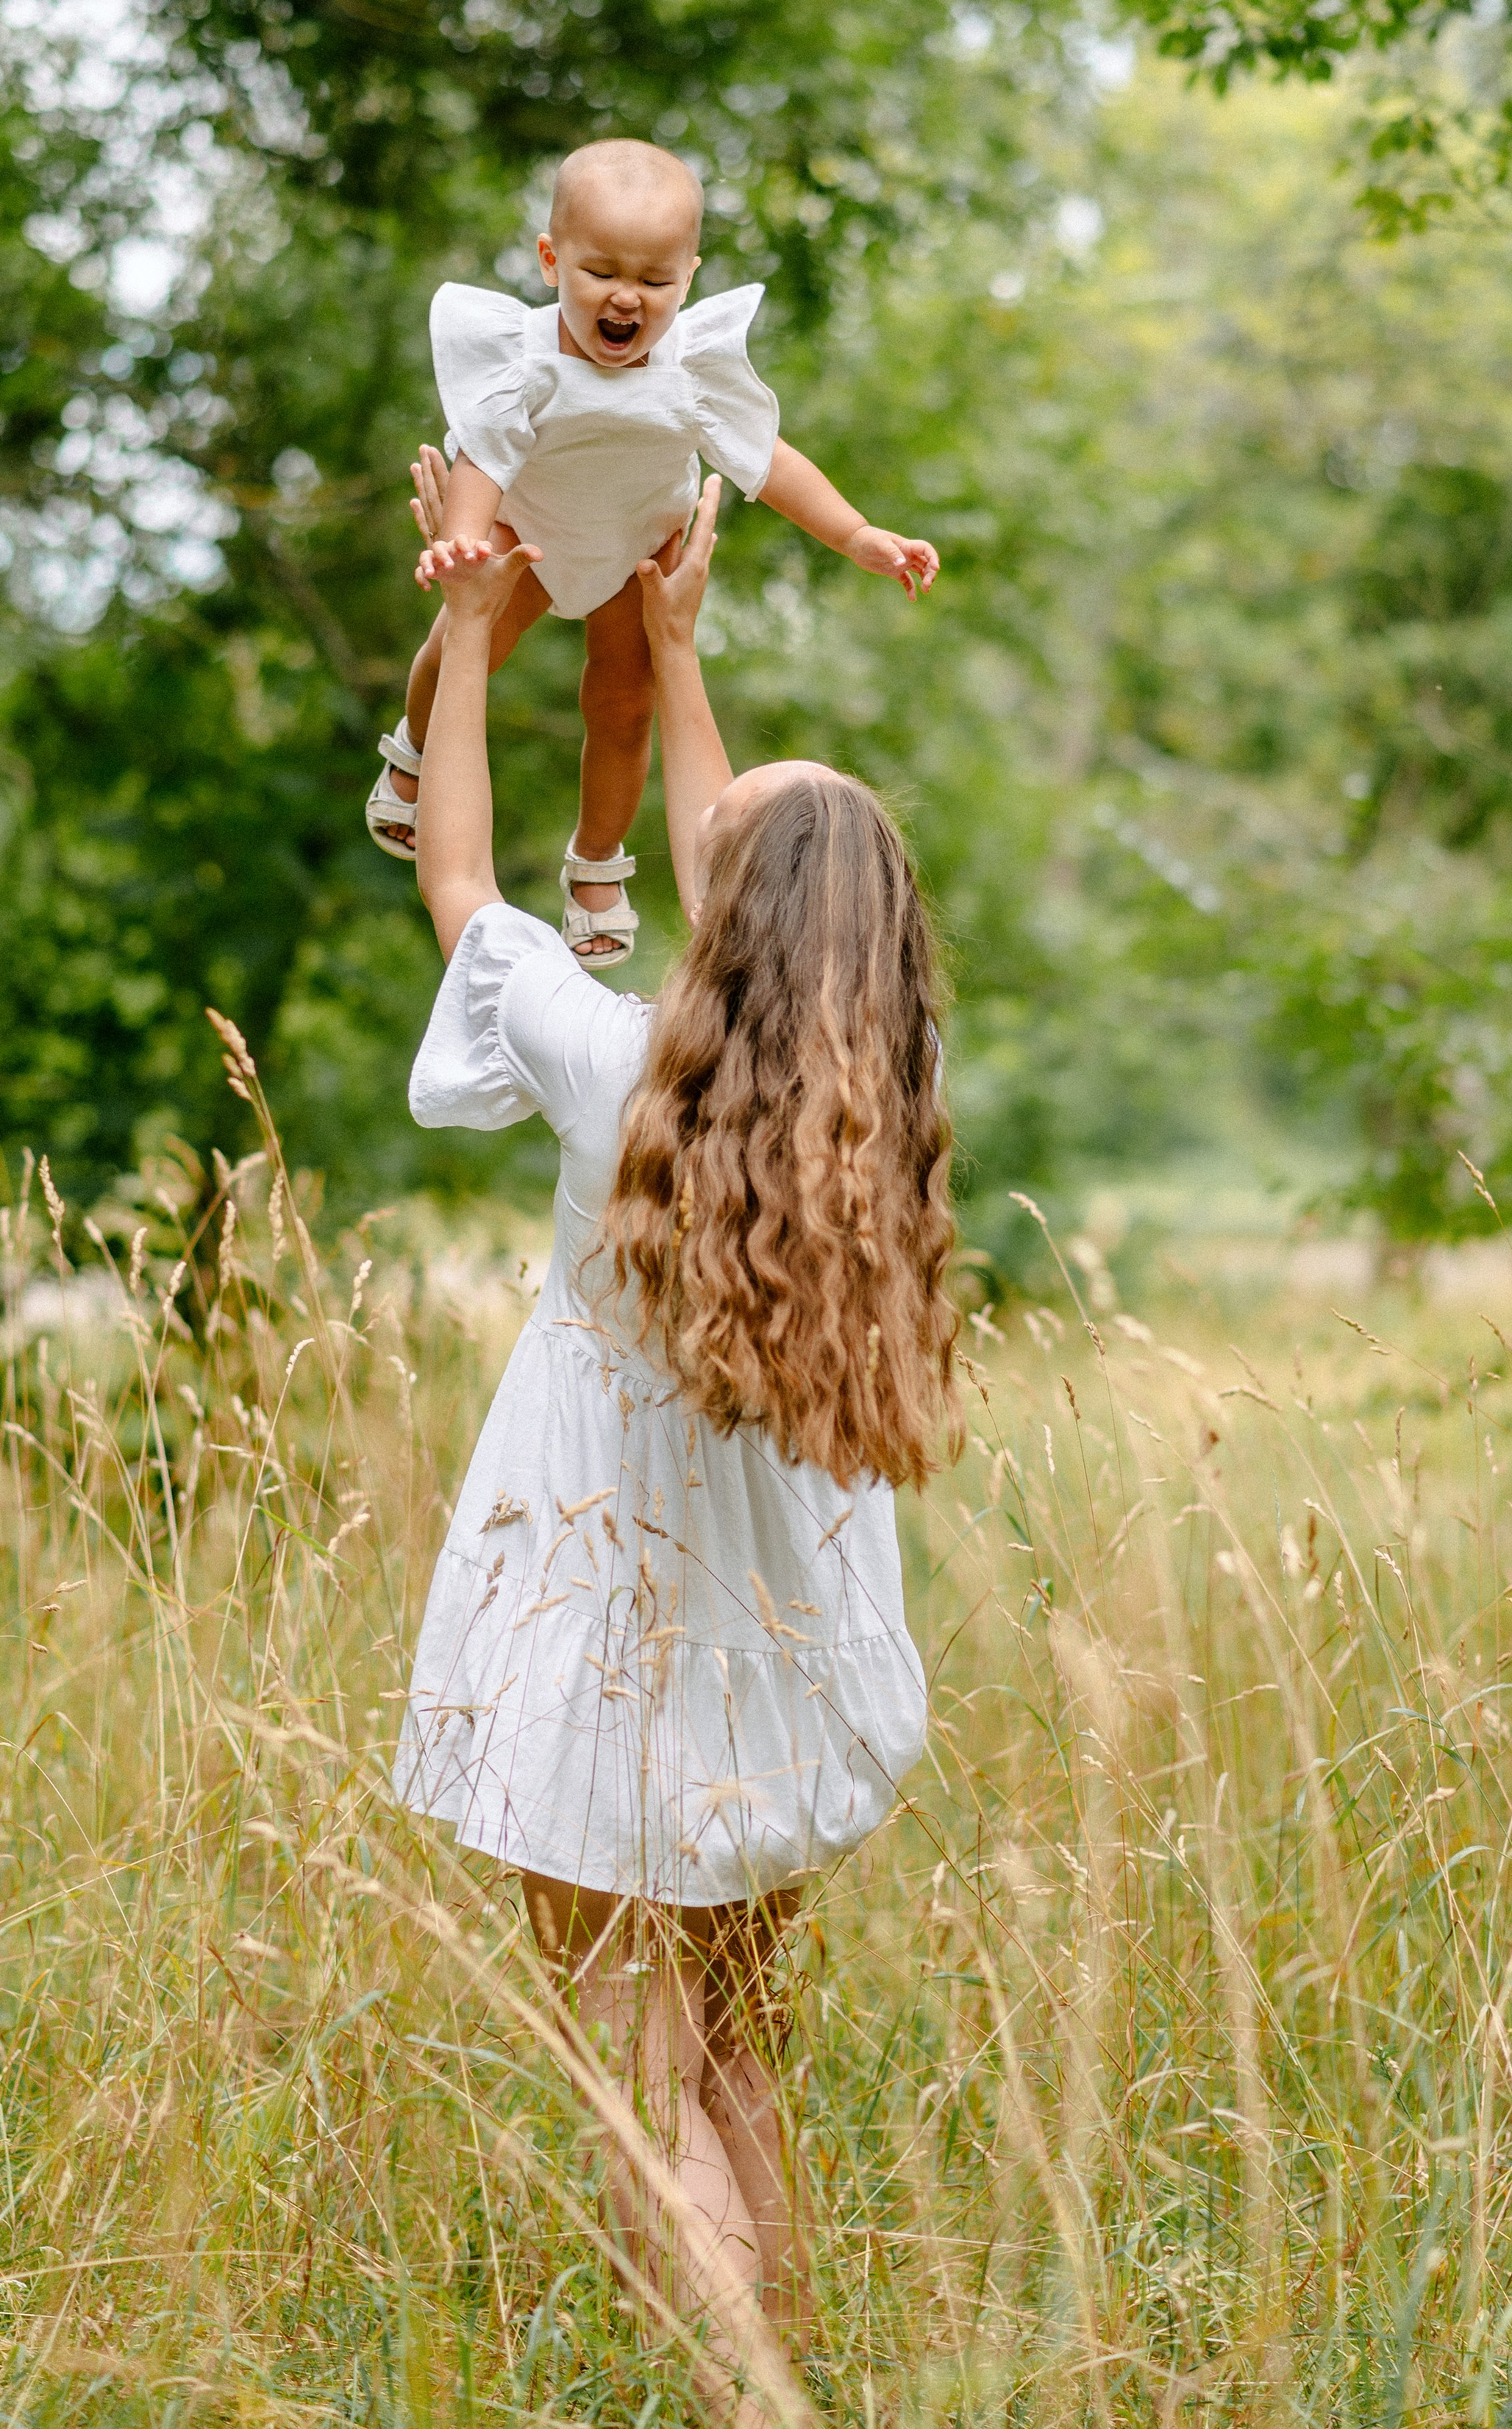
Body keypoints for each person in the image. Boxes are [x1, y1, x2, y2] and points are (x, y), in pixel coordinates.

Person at [392, 472, 959, 2412]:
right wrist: (683, 646)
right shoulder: (863, 1123)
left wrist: (469, 643)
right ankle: (793, 2376)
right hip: (777, 1678)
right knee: (733, 2056)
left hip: (603, 1664)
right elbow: (749, 863)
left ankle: (753, 2412)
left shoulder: (609, 1065)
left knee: (640, 2087)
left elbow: (462, 889)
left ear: (731, 917)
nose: (702, 814)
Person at [365, 137, 940, 967]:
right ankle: (416, 752)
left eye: (655, 280)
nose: (626, 298)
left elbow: (769, 459)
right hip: (525, 534)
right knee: (462, 644)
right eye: (601, 273)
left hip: (635, 549)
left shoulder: (691, 371)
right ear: (550, 258)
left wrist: (855, 533)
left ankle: (596, 860)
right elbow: (482, 459)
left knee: (625, 705)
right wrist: (462, 548)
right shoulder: (520, 359)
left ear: (689, 276)